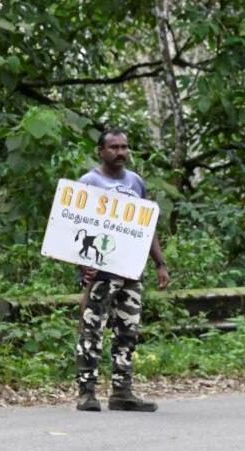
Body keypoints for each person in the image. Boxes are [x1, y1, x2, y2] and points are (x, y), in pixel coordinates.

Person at [74, 128, 170, 412]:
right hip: (100, 270)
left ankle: (122, 391)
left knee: (127, 331)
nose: (120, 153)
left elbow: (146, 225)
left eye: (125, 147)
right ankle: (86, 392)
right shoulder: (89, 182)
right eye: (114, 147)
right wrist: (82, 264)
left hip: (131, 270)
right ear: (100, 151)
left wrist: (160, 262)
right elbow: (73, 225)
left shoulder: (136, 182)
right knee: (92, 330)